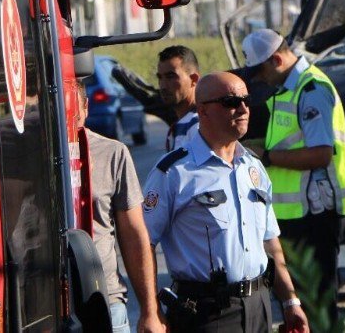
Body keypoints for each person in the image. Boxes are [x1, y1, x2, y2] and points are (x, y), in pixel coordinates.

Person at [141, 72, 309, 333]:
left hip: (259, 306)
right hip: (207, 312)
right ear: (203, 111)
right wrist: (150, 312)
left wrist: (290, 300)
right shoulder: (174, 172)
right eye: (230, 101)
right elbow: (143, 242)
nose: (242, 108)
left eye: (246, 100)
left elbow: (270, 242)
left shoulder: (253, 167)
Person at [241, 29, 345, 325]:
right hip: (296, 214)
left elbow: (321, 154)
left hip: (316, 214)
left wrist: (266, 156)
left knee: (318, 308)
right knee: (301, 307)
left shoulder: (311, 89)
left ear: (277, 59)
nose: (258, 79)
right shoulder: (286, 88)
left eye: (261, 71)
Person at [75, 83, 164, 333]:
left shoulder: (112, 153)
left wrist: (150, 311)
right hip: (42, 307)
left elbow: (134, 235)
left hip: (106, 302)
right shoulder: (20, 154)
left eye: (73, 106)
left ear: (85, 107)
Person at [156, 45, 200, 151]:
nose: (163, 86)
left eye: (171, 77)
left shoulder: (199, 126)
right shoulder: (184, 123)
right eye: (160, 78)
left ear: (194, 79)